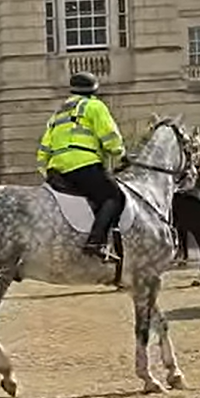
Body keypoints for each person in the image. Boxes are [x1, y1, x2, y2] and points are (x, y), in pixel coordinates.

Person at [37, 72, 126, 260]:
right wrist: (120, 153)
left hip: (56, 170)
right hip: (83, 165)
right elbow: (109, 136)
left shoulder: (58, 113)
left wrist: (46, 171)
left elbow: (44, 147)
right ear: (94, 90)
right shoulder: (94, 106)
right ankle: (96, 242)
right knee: (113, 196)